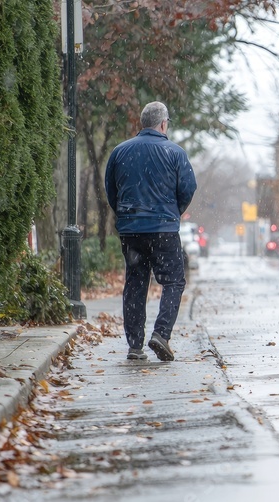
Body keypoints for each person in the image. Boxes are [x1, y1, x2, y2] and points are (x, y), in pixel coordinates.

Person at [104, 101, 197, 361]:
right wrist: (173, 213)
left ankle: (135, 346)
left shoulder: (119, 152)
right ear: (164, 124)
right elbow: (188, 188)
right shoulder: (175, 153)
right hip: (163, 230)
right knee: (173, 281)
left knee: (135, 283)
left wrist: (126, 214)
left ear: (143, 123)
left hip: (131, 230)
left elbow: (111, 190)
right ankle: (161, 334)